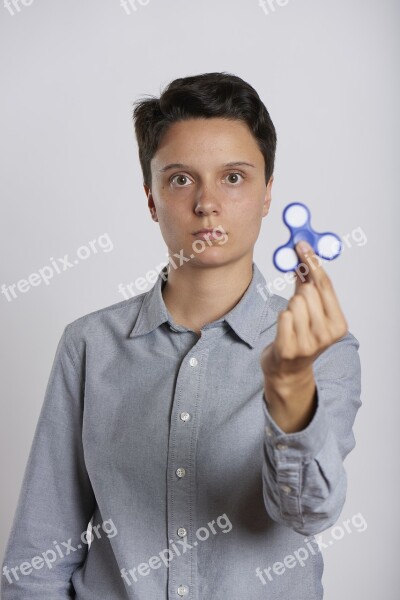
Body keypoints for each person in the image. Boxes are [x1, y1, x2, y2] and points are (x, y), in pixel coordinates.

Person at [1, 72, 361, 599]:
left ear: (266, 196)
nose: (207, 203)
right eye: (181, 179)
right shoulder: (89, 345)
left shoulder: (324, 350)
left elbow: (307, 511)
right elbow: (39, 553)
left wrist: (289, 387)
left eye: (234, 178)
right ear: (151, 199)